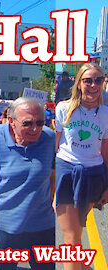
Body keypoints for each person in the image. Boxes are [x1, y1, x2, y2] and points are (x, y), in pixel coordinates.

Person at [55, 63, 108, 270]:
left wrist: (107, 185)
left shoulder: (105, 113)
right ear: (79, 84)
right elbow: (56, 145)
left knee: (77, 231)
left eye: (98, 80)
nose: (93, 85)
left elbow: (105, 152)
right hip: (67, 171)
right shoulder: (63, 108)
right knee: (71, 236)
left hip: (93, 174)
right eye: (88, 80)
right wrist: (52, 186)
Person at [0, 97, 56, 270]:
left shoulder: (50, 138)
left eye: (40, 122)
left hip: (42, 227)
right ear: (11, 121)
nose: (35, 128)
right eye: (27, 123)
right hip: (6, 229)